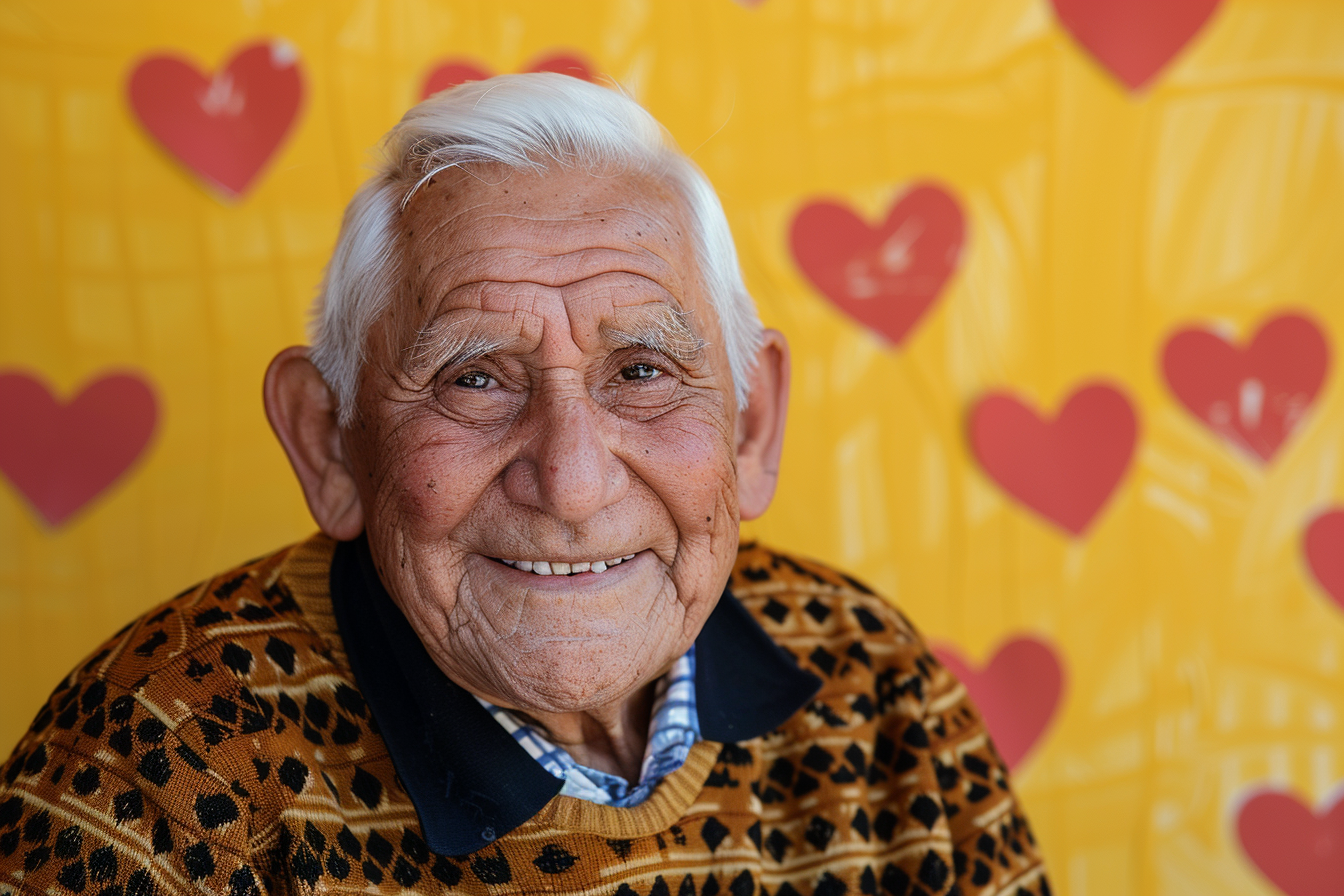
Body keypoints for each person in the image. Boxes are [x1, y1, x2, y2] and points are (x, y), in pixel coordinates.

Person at [0, 75, 1049, 896]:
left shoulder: (875, 689)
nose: (573, 479)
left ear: (754, 422)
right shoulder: (166, 759)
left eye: (641, 371)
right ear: (331, 443)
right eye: (474, 378)